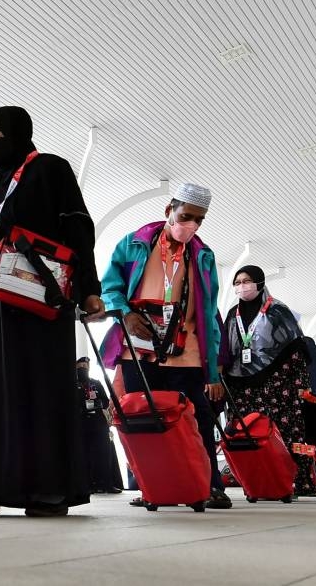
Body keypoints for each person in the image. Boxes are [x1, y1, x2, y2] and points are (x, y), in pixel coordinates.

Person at [0, 106, 106, 518]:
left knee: (38, 391)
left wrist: (90, 290)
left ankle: (48, 491)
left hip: (39, 302)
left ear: (20, 132)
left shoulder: (49, 169)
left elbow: (79, 226)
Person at [98, 183, 230, 509]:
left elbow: (209, 313)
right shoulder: (133, 244)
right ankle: (153, 486)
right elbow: (109, 289)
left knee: (196, 419)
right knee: (143, 420)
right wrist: (125, 315)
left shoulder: (203, 256)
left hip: (186, 351)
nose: (192, 226)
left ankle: (209, 486)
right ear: (169, 209)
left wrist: (213, 369)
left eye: (199, 220)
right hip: (138, 349)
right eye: (187, 216)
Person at [220, 265, 315, 496]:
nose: (242, 286)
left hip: (277, 385)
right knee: (247, 432)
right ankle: (255, 481)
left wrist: (299, 386)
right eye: (238, 282)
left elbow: (295, 348)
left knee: (283, 432)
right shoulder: (233, 314)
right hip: (241, 387)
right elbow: (225, 347)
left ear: (260, 282)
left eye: (247, 281)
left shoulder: (278, 310)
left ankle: (294, 481)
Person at [75, 358, 123, 494]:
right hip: (82, 422)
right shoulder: (72, 384)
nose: (83, 368)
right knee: (85, 453)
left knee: (104, 452)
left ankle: (107, 483)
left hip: (98, 421)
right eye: (81, 366)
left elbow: (106, 401)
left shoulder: (95, 383)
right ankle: (88, 484)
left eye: (86, 366)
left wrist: (98, 404)